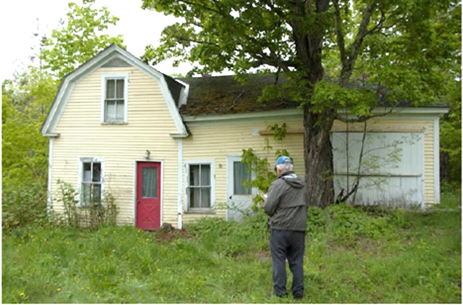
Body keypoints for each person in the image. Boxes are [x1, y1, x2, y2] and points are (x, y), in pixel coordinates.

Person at [263, 156, 309, 299]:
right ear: (291, 168)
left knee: (279, 260)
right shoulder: (303, 185)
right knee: (297, 261)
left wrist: (266, 199)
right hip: (299, 229)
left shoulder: (277, 185)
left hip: (280, 229)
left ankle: (280, 293)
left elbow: (269, 209)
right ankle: (298, 293)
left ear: (278, 169)